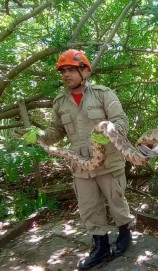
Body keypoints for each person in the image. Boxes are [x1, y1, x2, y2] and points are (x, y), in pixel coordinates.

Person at [21, 49, 135, 270]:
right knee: (89, 207)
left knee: (117, 201)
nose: (65, 74)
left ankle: (124, 235)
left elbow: (121, 121)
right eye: (63, 71)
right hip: (81, 166)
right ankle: (100, 247)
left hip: (108, 162)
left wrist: (109, 131)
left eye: (71, 69)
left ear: (85, 71)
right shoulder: (60, 102)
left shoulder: (104, 94)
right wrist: (39, 135)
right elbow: (56, 131)